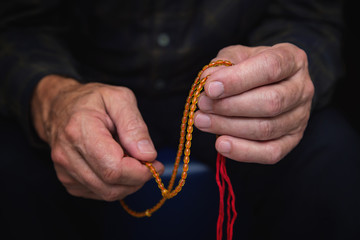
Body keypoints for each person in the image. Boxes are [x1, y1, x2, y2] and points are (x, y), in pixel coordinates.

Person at [1, 0, 359, 239]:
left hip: (232, 95)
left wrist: (284, 72)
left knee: (333, 155)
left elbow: (311, 17)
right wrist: (52, 98)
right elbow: (17, 25)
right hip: (84, 85)